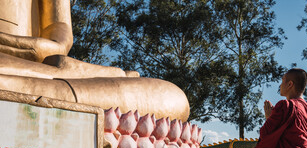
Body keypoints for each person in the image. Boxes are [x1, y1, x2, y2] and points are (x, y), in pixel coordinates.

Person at [0, 0, 189, 121]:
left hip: (41, 65)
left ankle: (46, 93)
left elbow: (59, 35)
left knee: (171, 97)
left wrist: (38, 47)